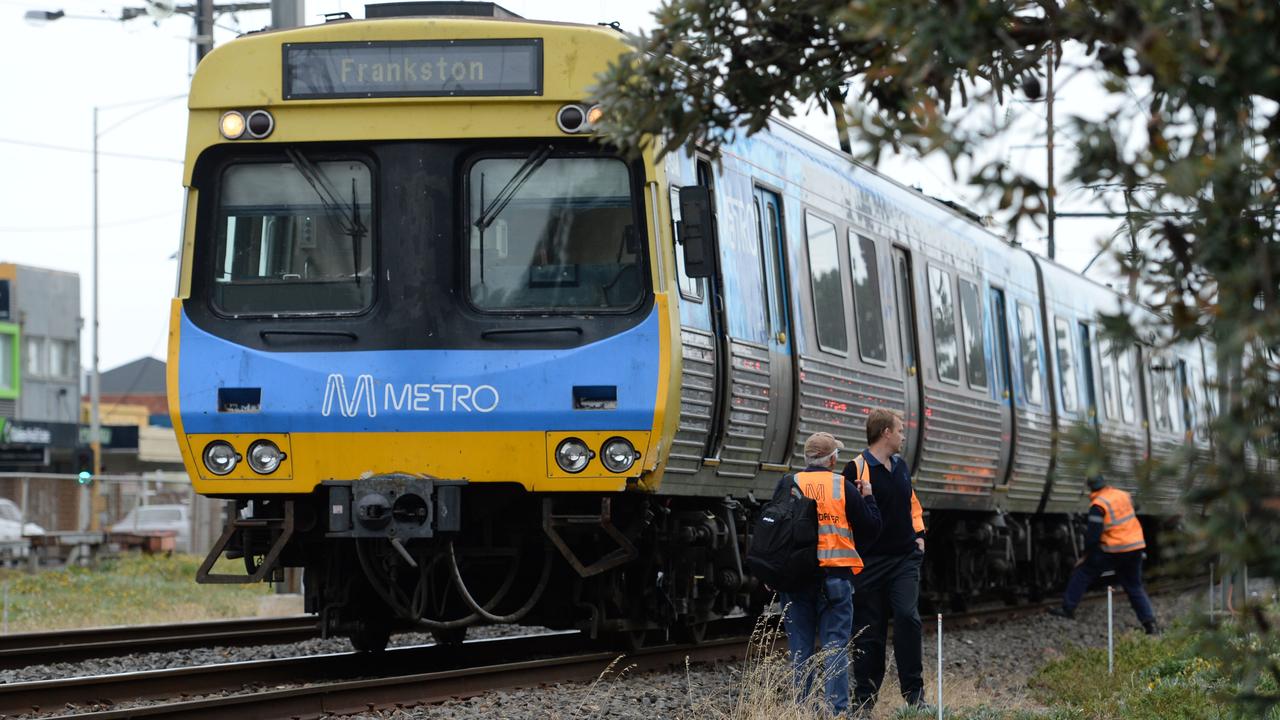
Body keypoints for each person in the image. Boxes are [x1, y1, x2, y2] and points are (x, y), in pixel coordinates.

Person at [778, 431, 881, 717]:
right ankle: (838, 712)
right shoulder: (843, 487)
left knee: (800, 650)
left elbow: (774, 533)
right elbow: (872, 528)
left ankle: (804, 711)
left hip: (796, 580)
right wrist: (868, 499)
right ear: (832, 459)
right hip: (836, 578)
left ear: (807, 458)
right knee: (835, 646)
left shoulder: (790, 483)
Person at [845, 408, 928, 713]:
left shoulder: (901, 466)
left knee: (908, 617)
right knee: (870, 630)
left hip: (904, 558)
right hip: (869, 563)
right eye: (901, 430)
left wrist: (919, 535)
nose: (904, 435)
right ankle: (864, 700)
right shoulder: (855, 469)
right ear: (885, 433)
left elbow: (911, 504)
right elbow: (847, 517)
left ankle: (915, 695)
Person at [1048, 475, 1159, 634]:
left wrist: (1085, 555)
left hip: (1115, 548)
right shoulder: (1123, 495)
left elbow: (1093, 535)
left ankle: (1068, 609)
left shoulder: (1098, 505)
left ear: (1090, 487)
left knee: (1083, 572)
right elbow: (1136, 507)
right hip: (1136, 546)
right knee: (1134, 585)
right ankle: (1150, 624)